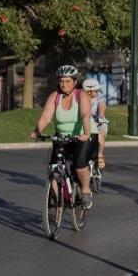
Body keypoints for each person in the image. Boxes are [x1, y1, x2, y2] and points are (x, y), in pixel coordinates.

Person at [31, 64, 94, 208]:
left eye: (68, 81)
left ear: (74, 82)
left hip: (79, 138)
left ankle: (85, 190)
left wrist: (86, 133)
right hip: (61, 138)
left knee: (79, 165)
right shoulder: (55, 96)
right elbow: (46, 116)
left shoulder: (81, 95)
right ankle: (57, 199)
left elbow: (85, 115)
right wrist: (37, 131)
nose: (64, 85)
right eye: (61, 81)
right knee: (54, 168)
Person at [82, 78, 108, 169]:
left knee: (99, 137)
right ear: (89, 92)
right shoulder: (80, 97)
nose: (98, 91)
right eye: (96, 90)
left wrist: (100, 117)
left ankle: (100, 156)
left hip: (98, 122)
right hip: (85, 122)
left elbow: (102, 106)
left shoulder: (99, 96)